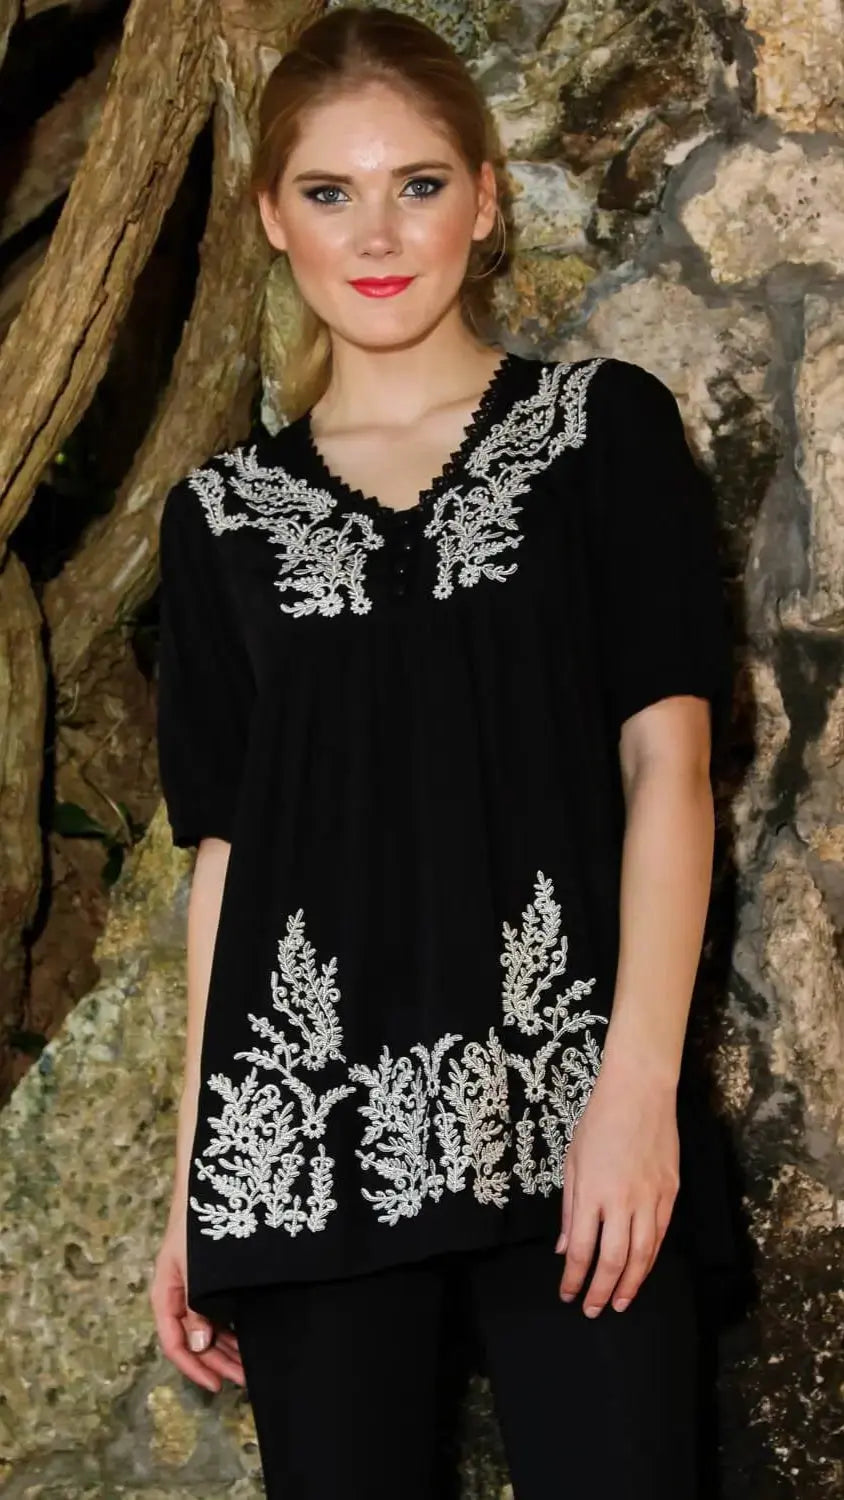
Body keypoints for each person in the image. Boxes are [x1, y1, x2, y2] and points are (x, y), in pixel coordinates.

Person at [149, 7, 737, 1497]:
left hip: (578, 1120)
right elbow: (226, 862)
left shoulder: (605, 436)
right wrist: (192, 1190)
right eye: (332, 193)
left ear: (486, 195)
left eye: (416, 181)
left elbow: (668, 770)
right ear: (275, 220)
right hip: (301, 1142)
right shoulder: (217, 526)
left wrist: (635, 1089)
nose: (379, 230)